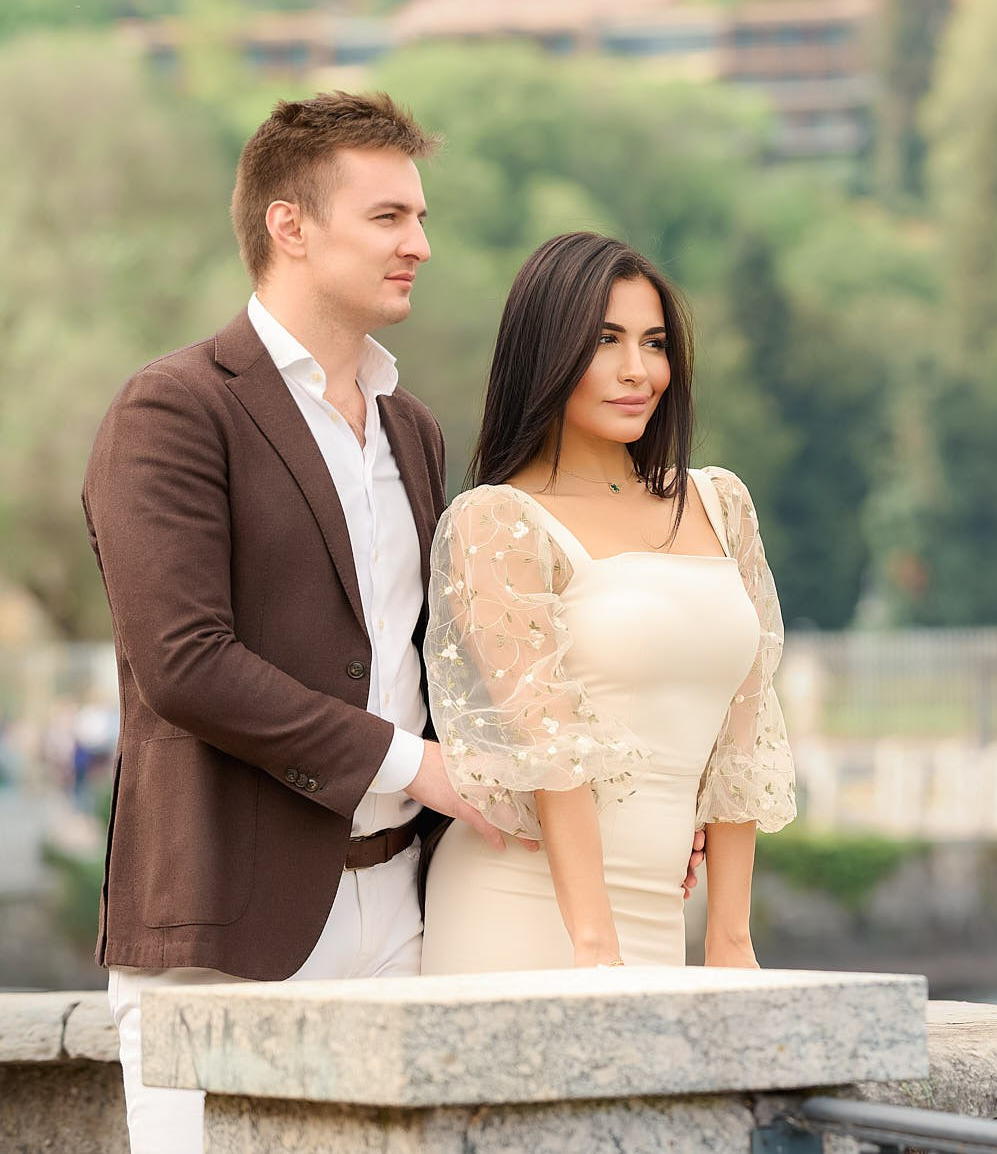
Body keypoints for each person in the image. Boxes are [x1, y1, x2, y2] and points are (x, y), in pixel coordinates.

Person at [79, 91, 489, 1153]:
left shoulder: (414, 427)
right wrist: (414, 765)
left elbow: (424, 657)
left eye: (421, 217)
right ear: (290, 226)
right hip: (223, 919)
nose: (420, 246)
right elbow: (185, 664)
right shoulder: (172, 409)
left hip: (405, 907)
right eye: (390, 218)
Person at [419, 231, 794, 973]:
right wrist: (597, 952)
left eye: (654, 343)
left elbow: (741, 746)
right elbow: (549, 750)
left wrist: (730, 938)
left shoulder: (721, 503)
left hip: (663, 915)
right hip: (526, 911)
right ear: (546, 353)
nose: (638, 371)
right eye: (605, 341)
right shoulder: (498, 520)